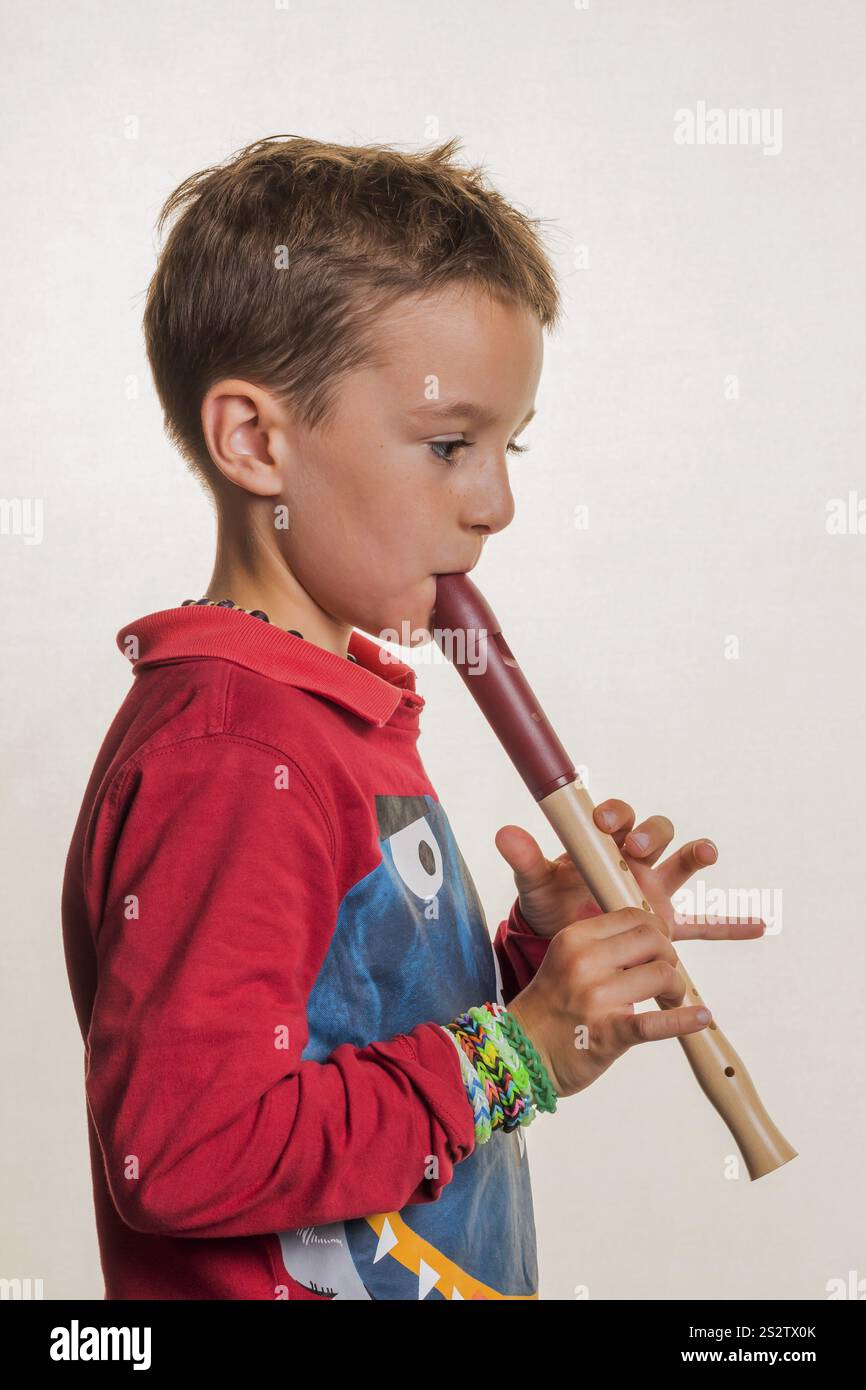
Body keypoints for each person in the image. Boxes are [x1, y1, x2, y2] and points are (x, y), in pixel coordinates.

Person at [61, 135, 763, 1301]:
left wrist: (541, 969)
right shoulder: (235, 752)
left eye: (505, 446)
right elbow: (185, 1154)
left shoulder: (327, 716)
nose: (494, 502)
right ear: (254, 441)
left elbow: (353, 1040)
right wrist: (515, 1051)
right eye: (450, 445)